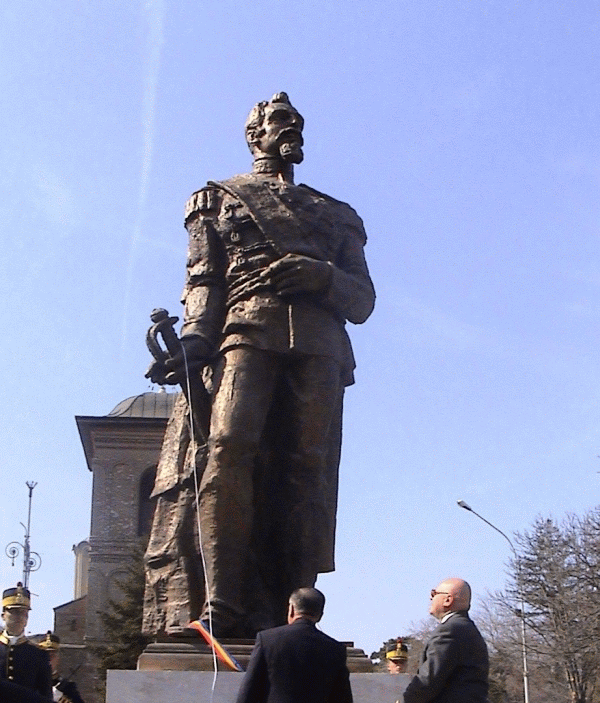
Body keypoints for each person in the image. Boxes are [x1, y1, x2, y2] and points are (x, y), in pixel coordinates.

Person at [143, 92, 375, 638]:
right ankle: (221, 604)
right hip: (244, 333)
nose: (291, 127)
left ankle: (300, 609)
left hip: (320, 347)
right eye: (278, 121)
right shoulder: (218, 198)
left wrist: (321, 277)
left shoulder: (338, 214)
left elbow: (362, 301)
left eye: (295, 121)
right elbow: (204, 282)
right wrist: (193, 343)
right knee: (225, 449)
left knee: (308, 469)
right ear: (255, 136)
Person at [235, 587, 352, 703]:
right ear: (320, 615)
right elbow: (342, 698)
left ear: (291, 609)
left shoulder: (267, 640)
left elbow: (249, 691)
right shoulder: (336, 650)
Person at [401, 578, 489, 703]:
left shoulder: (450, 631)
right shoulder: (466, 628)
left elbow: (429, 680)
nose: (431, 598)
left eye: (434, 593)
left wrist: (407, 699)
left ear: (448, 600)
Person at [0, 583, 52, 699]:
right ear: (3, 615)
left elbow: (45, 696)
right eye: (14, 612)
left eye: (24, 613)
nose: (20, 617)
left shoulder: (39, 655)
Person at [34, 631, 85, 703]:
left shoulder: (68, 688)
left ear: (58, 658)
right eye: (45, 656)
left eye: (52, 656)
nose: (49, 659)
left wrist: (62, 699)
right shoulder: (29, 683)